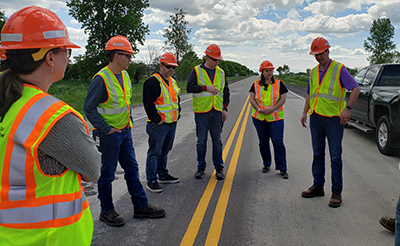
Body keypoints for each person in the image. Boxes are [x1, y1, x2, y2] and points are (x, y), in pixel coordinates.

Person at [0, 6, 101, 245]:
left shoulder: (8, 101)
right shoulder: (53, 117)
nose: (68, 57)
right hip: (48, 239)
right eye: (66, 51)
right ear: (50, 58)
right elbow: (93, 170)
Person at [84, 36, 166, 227]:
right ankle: (106, 211)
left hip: (124, 132)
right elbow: (89, 107)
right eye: (127, 55)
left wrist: (127, 122)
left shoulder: (125, 75)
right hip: (109, 135)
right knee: (107, 174)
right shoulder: (101, 79)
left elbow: (123, 102)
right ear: (115, 55)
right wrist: (106, 129)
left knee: (132, 170)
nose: (130, 58)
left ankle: (140, 206)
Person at [300, 37, 361, 208]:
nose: (318, 57)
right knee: (317, 154)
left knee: (335, 157)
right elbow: (309, 94)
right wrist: (305, 112)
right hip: (316, 118)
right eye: (315, 55)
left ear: (327, 51)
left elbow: (356, 89)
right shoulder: (312, 72)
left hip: (334, 120)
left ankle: (336, 192)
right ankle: (318, 186)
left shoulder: (339, 69)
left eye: (320, 54)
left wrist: (347, 108)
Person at [187, 44, 230, 180]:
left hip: (216, 112)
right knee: (201, 141)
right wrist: (206, 88)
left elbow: (226, 91)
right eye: (214, 59)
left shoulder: (221, 73)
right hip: (201, 112)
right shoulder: (196, 71)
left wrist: (225, 108)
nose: (217, 62)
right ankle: (201, 168)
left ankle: (219, 168)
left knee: (217, 141)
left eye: (218, 60)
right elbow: (189, 88)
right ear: (207, 57)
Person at [143, 52, 181, 193]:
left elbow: (175, 99)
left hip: (171, 122)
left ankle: (163, 175)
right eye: (168, 66)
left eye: (173, 67)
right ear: (161, 65)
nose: (171, 69)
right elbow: (148, 104)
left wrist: (178, 113)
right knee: (154, 152)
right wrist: (157, 120)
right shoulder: (153, 81)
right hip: (158, 125)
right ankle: (151, 179)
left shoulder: (172, 81)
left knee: (165, 150)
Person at [249, 60, 289, 179]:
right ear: (262, 71)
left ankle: (282, 168)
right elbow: (251, 99)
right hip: (259, 117)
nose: (269, 72)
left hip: (275, 118)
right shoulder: (255, 84)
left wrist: (272, 109)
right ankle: (266, 164)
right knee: (263, 141)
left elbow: (283, 99)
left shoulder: (279, 83)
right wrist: (259, 109)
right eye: (267, 70)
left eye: (271, 70)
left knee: (278, 142)